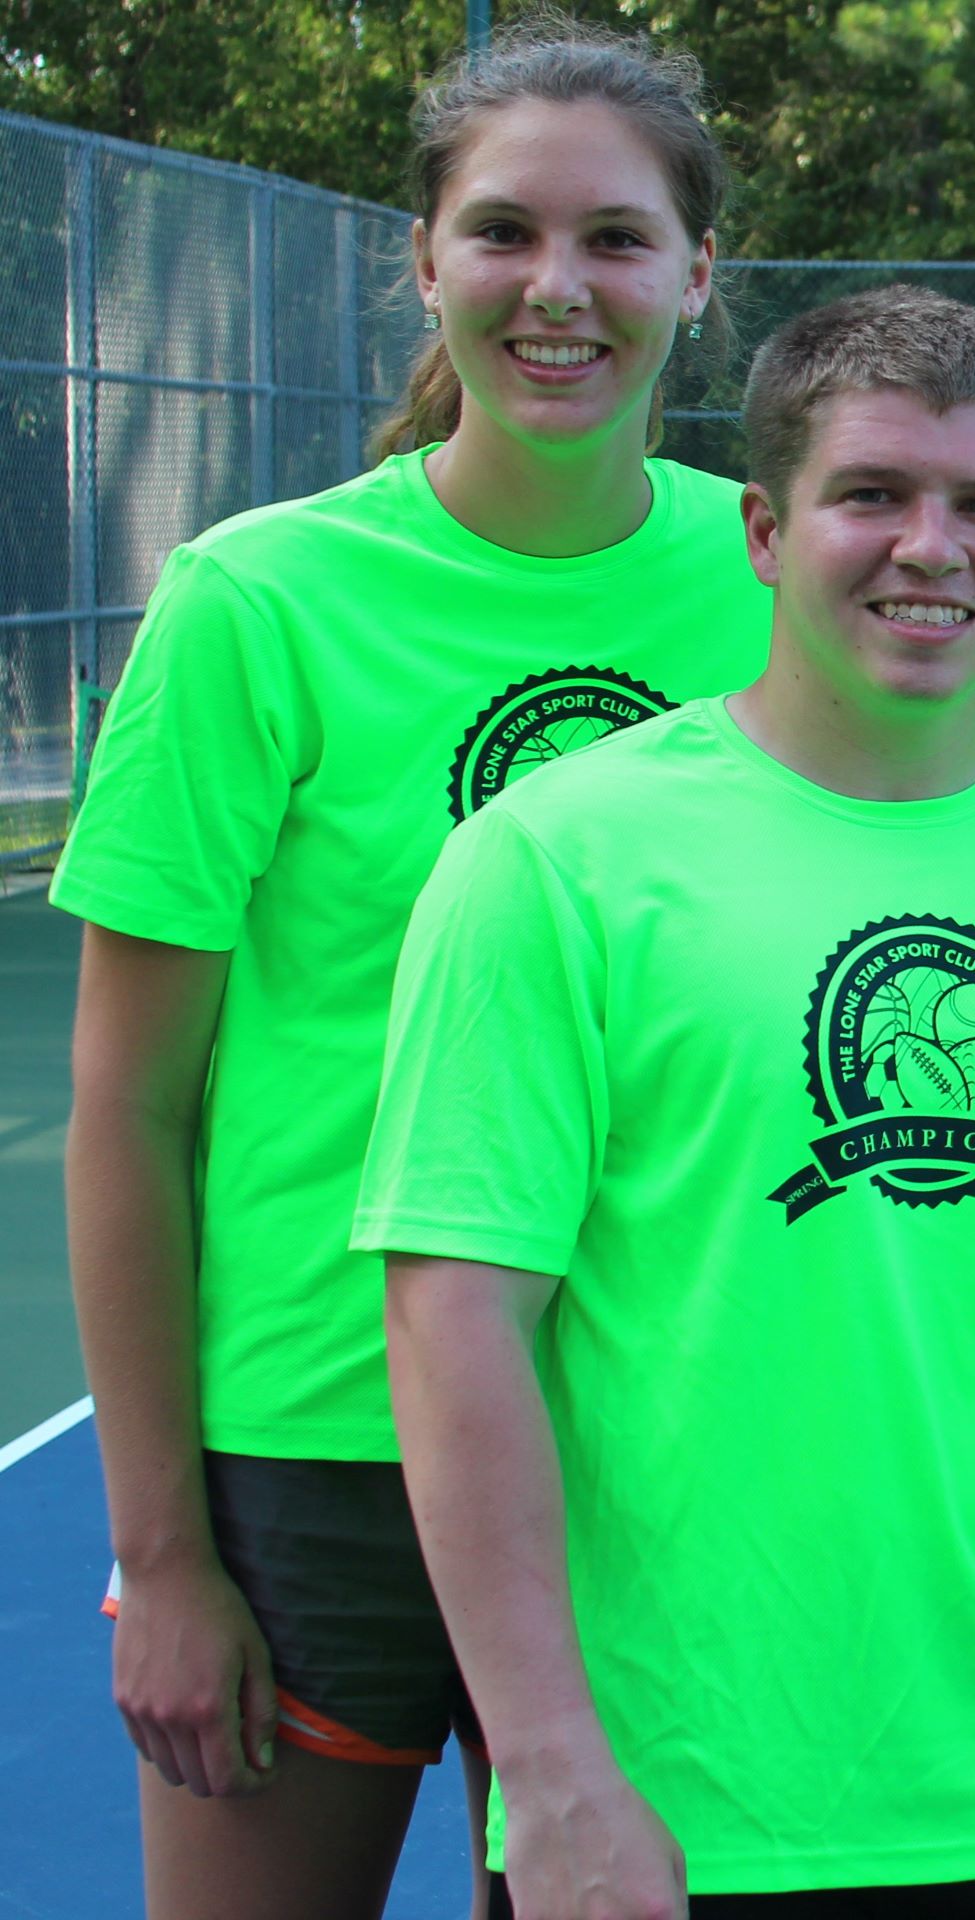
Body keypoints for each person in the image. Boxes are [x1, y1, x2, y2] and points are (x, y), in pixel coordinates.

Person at [356, 285, 975, 1919]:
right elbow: (453, 1320)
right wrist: (552, 1770)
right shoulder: (559, 859)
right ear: (768, 531)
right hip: (680, 1825)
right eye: (873, 495)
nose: (933, 547)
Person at [50, 21, 758, 1916]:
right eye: (506, 232)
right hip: (313, 1460)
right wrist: (165, 1554)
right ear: (426, 260)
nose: (559, 288)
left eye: (617, 240)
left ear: (699, 276)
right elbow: (124, 1108)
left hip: (647, 1445)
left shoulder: (781, 575)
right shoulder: (258, 604)